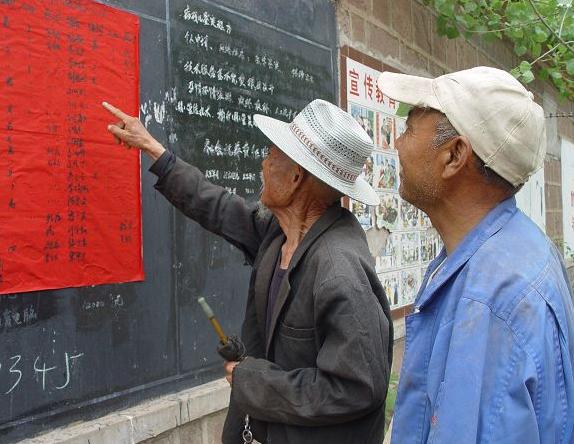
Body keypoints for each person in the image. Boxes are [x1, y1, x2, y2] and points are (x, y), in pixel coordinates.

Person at [102, 99, 393, 444]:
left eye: (272, 156)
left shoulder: (339, 271)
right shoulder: (280, 234)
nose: (263, 164)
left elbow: (356, 389)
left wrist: (253, 381)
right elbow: (218, 206)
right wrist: (152, 148)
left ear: (296, 176)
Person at [377, 66, 574, 443]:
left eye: (409, 128)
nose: (397, 145)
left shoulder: (488, 301)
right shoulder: (519, 249)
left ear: (454, 155)